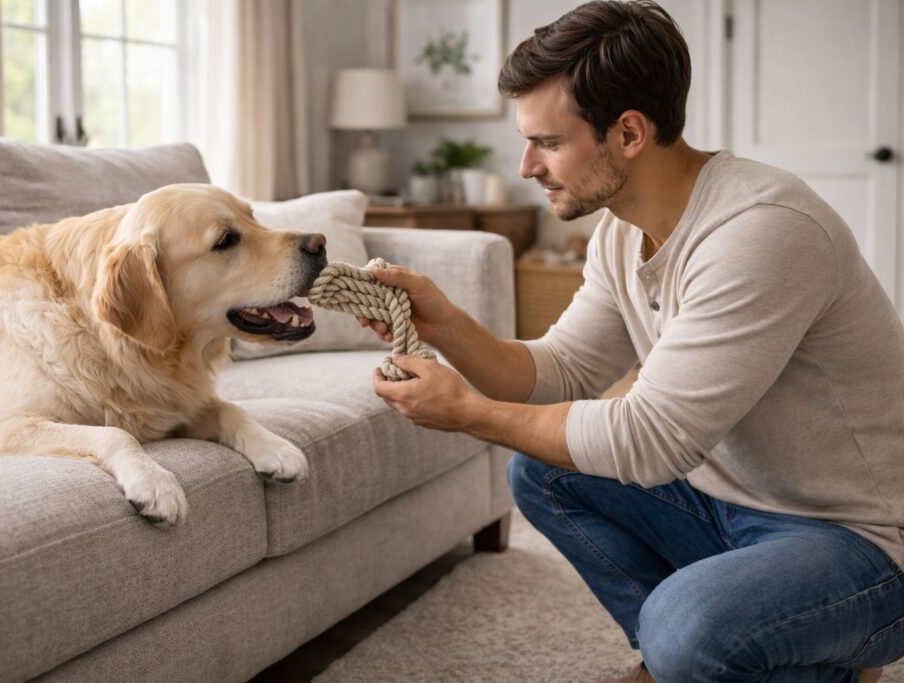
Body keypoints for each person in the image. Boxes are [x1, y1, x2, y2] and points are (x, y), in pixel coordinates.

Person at [357, 2, 904, 682]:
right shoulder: (621, 230)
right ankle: (717, 654)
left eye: (548, 142)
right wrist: (445, 325)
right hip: (727, 504)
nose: (526, 165)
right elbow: (563, 371)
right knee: (541, 470)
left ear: (629, 133)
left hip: (860, 540)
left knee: (684, 625)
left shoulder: (761, 230)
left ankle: (783, 653)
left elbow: (651, 439)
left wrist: (469, 413)